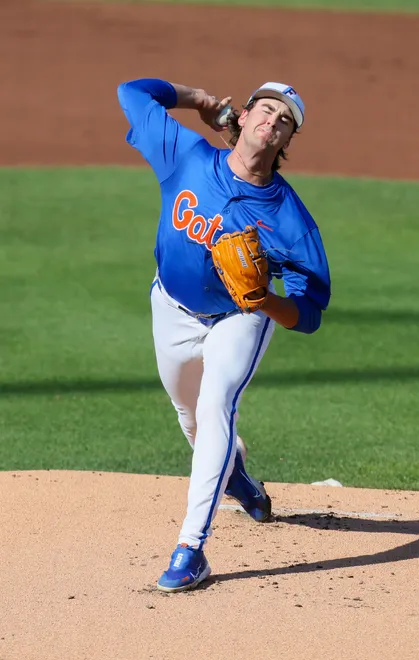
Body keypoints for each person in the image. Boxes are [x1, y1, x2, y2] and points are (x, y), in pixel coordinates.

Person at [117, 77, 331, 593]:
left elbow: (310, 310)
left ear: (285, 142)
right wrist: (203, 103)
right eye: (265, 109)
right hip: (170, 306)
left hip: (240, 319)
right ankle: (236, 479)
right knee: (189, 414)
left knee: (216, 405)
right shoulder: (186, 155)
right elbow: (132, 93)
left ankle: (191, 550)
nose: (272, 121)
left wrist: (265, 302)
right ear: (244, 117)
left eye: (285, 120)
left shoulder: (289, 218)